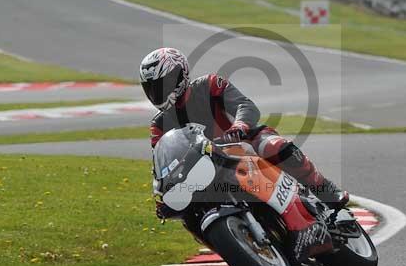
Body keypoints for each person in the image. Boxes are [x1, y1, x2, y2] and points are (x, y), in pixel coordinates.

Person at [140, 47, 349, 208]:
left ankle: (325, 189)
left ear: (180, 76)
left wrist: (239, 125)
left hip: (245, 141)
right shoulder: (158, 125)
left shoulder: (210, 84)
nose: (157, 93)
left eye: (162, 85)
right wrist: (162, 192)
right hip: (208, 166)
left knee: (276, 147)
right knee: (187, 208)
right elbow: (161, 161)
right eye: (152, 88)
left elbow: (245, 105)